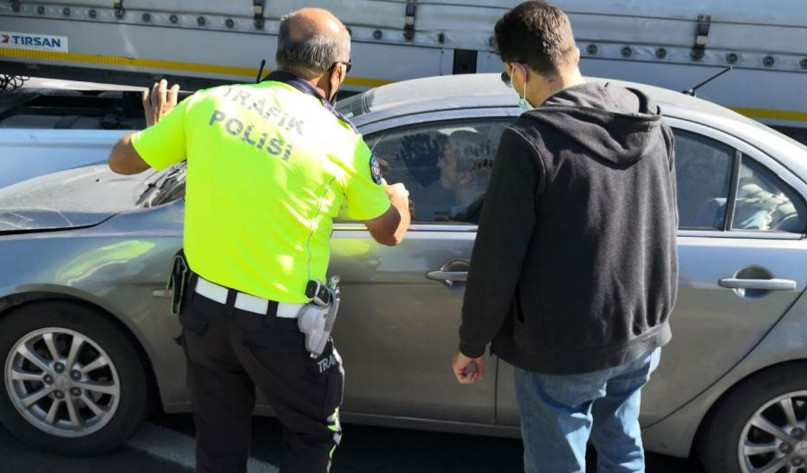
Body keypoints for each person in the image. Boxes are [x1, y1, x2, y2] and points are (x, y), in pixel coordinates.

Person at [108, 8, 410, 473]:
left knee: (218, 439)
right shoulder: (342, 142)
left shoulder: (211, 104)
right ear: (337, 72)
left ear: (281, 56)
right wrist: (399, 198)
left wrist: (158, 129)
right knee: (311, 435)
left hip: (204, 315)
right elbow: (388, 232)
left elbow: (121, 161)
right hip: (282, 330)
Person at [451, 2, 678, 472]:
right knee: (623, 447)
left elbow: (497, 258)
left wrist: (472, 344)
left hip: (562, 346)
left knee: (557, 461)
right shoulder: (647, 117)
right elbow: (663, 219)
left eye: (507, 76)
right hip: (638, 332)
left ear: (519, 69)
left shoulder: (532, 139)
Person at [436, 130, 493, 223]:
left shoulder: (469, 220)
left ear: (465, 177)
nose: (439, 164)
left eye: (446, 161)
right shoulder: (488, 212)